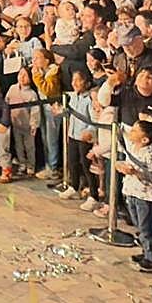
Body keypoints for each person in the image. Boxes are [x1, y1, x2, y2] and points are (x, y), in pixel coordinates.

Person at [117, 119, 152, 273]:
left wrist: (136, 173)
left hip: (144, 195)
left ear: (145, 139)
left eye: (135, 131)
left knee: (146, 228)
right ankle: (146, 252)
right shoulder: (132, 148)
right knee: (139, 225)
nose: (131, 132)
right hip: (131, 191)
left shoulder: (149, 153)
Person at [60, 69, 100, 208]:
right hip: (73, 135)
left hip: (84, 138)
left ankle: (93, 195)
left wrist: (90, 132)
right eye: (73, 80)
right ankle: (74, 186)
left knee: (86, 165)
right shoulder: (73, 97)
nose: (74, 83)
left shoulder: (90, 99)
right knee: (73, 162)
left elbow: (94, 120)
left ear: (87, 82)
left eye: (78, 80)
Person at [32, 47, 63, 180]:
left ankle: (53, 167)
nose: (34, 60)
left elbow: (48, 90)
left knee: (52, 139)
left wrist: (36, 77)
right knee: (44, 138)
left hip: (52, 107)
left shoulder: (53, 72)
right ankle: (48, 164)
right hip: (43, 107)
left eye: (38, 58)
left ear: (46, 60)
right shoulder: (41, 71)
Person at [6, 64, 40, 177]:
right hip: (15, 124)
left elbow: (35, 111)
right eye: (20, 74)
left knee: (30, 147)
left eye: (25, 75)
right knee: (18, 146)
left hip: (27, 125)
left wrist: (34, 124)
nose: (22, 77)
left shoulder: (32, 94)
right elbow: (7, 102)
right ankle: (22, 163)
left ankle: (31, 165)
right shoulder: (12, 88)